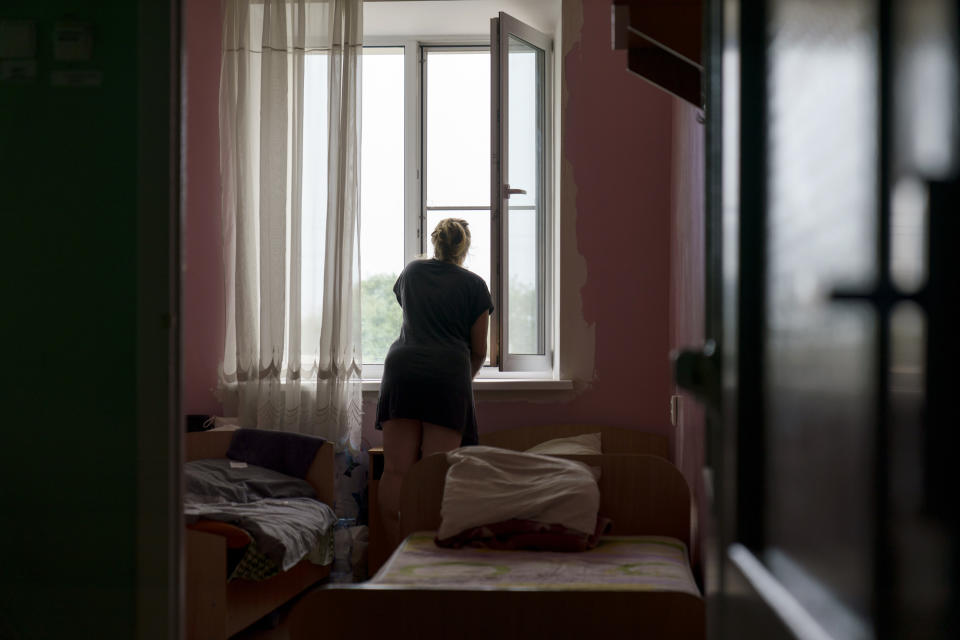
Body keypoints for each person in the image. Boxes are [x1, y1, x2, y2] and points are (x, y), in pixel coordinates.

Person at [375, 218, 493, 548]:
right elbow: (479, 350)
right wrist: (459, 382)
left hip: (402, 369)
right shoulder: (475, 286)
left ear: (435, 241)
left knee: (396, 470)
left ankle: (395, 552)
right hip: (447, 374)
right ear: (464, 248)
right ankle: (428, 554)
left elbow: (413, 318)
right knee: (435, 471)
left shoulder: (412, 273)